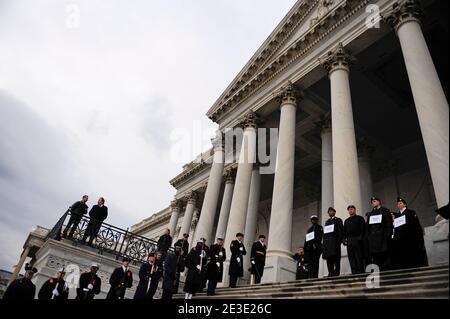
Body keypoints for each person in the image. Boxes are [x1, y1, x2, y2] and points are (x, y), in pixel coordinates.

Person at [392, 197, 428, 269]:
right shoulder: (397, 215)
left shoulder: (411, 212)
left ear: (405, 204)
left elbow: (416, 225)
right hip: (401, 239)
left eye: (400, 203)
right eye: (398, 204)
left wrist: (418, 236)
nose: (398, 205)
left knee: (412, 253)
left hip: (410, 237)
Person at [366, 196, 393, 271]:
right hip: (373, 239)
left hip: (383, 237)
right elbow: (368, 226)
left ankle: (387, 269)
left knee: (385, 254)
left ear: (379, 202)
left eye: (374, 201)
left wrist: (389, 233)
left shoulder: (385, 210)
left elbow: (389, 223)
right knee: (376, 256)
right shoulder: (370, 213)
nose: (373, 203)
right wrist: (368, 236)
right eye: (372, 202)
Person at [343, 205, 366, 274]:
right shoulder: (346, 221)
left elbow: (363, 229)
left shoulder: (360, 218)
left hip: (357, 239)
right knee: (351, 257)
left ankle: (360, 271)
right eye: (349, 209)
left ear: (355, 210)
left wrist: (360, 238)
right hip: (349, 240)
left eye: (352, 209)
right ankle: (354, 271)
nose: (350, 210)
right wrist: (344, 239)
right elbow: (344, 231)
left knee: (358, 256)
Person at [322, 207, 344, 277]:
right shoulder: (327, 222)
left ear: (334, 212)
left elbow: (340, 231)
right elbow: (325, 234)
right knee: (329, 259)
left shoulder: (338, 220)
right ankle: (330, 273)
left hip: (335, 243)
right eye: (329, 212)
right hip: (328, 244)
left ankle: (336, 272)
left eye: (331, 211)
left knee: (336, 259)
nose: (330, 213)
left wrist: (339, 241)